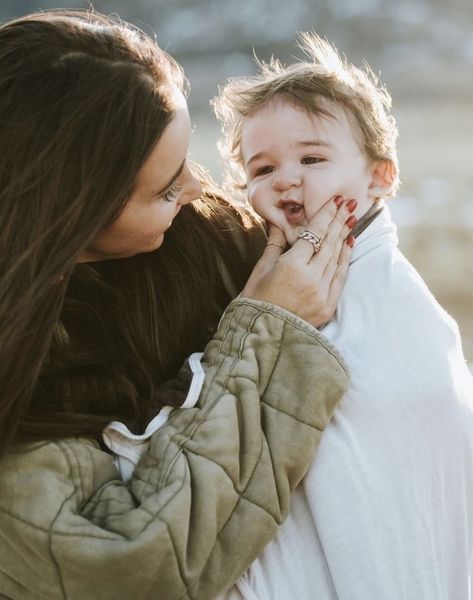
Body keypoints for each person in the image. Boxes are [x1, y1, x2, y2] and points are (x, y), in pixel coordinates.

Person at [0, 11, 360, 600]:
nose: (197, 187)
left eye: (187, 160)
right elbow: (122, 565)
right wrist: (270, 337)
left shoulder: (203, 238)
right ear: (68, 214)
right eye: (167, 187)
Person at [214, 33, 473, 599]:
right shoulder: (253, 276)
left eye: (312, 158)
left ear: (380, 176)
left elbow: (421, 402)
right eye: (262, 169)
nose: (286, 179)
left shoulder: (392, 292)